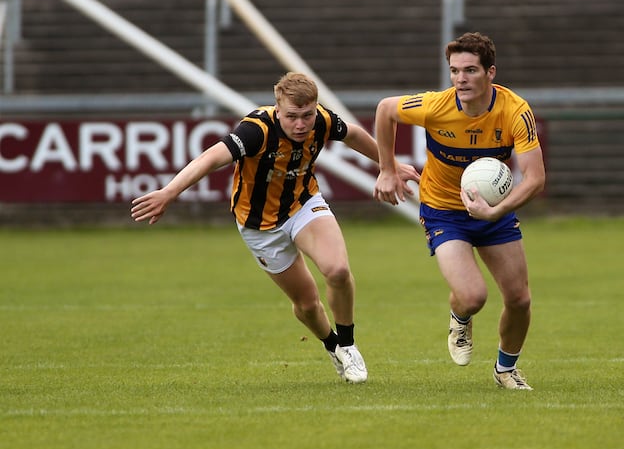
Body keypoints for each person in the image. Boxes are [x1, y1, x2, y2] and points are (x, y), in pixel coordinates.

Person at [131, 72, 420, 384]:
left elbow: (353, 135)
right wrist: (169, 192)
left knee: (336, 270)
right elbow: (211, 158)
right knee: (307, 304)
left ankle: (348, 344)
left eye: (307, 116)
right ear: (278, 110)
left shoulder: (321, 120)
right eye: (292, 117)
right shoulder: (257, 130)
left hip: (303, 205)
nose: (300, 124)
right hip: (259, 226)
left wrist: (387, 164)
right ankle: (332, 345)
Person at [372, 32, 546, 390]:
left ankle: (505, 371)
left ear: (490, 73)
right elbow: (386, 109)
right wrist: (387, 168)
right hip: (443, 211)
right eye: (454, 71)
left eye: (470, 70)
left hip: (494, 211)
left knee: (519, 299)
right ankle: (460, 316)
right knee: (472, 296)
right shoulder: (436, 106)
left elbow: (535, 180)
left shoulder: (515, 111)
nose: (461, 79)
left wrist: (496, 212)